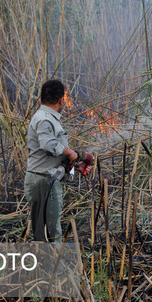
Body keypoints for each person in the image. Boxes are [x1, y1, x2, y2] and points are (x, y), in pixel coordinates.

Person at [24, 80, 92, 242]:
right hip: (43, 181)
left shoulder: (46, 117)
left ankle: (46, 264)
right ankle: (55, 266)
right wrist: (71, 153)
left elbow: (52, 154)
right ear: (62, 99)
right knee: (52, 234)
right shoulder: (45, 119)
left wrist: (75, 163)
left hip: (44, 178)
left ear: (41, 98)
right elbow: (48, 145)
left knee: (44, 232)